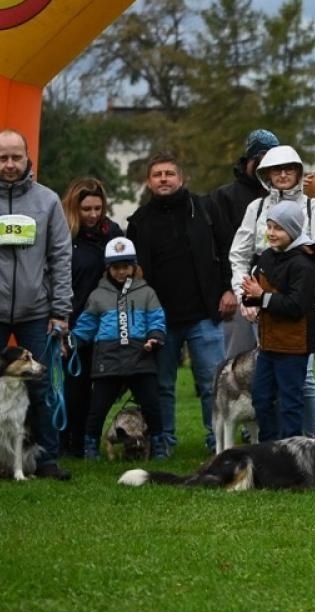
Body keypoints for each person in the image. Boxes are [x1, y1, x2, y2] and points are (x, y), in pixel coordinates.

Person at [0, 129, 74, 480]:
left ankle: (46, 460)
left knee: (43, 387)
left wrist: (60, 311)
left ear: (27, 157)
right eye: (2, 157)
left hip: (37, 312)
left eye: (16, 157)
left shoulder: (48, 201)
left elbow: (61, 257)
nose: (9, 164)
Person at [126, 153, 229, 456]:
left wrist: (228, 290)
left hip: (204, 314)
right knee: (162, 386)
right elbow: (132, 273)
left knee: (213, 384)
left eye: (169, 173)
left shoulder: (205, 209)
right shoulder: (138, 222)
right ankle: (163, 442)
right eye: (157, 174)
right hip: (160, 319)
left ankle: (218, 442)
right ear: (148, 182)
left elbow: (227, 251)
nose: (164, 179)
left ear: (181, 179)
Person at [227, 143, 315, 433]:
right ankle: (270, 442)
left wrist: (284, 296)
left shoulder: (314, 207)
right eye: (276, 170)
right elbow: (239, 255)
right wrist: (245, 298)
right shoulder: (257, 208)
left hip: (299, 308)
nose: (283, 175)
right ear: (266, 175)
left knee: (303, 380)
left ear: (299, 172)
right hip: (260, 308)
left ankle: (311, 440)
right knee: (266, 381)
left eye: (289, 169)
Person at [73, 237, 166, 460]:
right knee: (97, 408)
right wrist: (70, 341)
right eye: (116, 267)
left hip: (140, 356)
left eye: (126, 266)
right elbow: (86, 325)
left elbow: (157, 319)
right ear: (108, 269)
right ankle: (90, 446)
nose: (121, 272)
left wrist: (155, 337)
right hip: (108, 359)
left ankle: (158, 444)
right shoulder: (97, 295)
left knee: (152, 405)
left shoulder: (147, 292)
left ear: (134, 267)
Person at [238, 201, 315, 442]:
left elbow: (296, 307)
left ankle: (289, 449)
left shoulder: (304, 265)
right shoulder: (267, 257)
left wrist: (261, 297)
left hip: (293, 347)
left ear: (294, 230)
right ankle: (268, 447)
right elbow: (257, 292)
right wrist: (249, 296)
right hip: (267, 344)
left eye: (279, 228)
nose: (272, 233)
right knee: (261, 399)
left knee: (289, 402)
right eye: (269, 226)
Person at [60, 176, 122, 458]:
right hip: (72, 321)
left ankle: (88, 441)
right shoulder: (62, 236)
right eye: (86, 209)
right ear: (75, 208)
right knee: (72, 387)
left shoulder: (113, 234)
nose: (93, 215)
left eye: (98, 208)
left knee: (99, 389)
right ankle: (66, 442)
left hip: (105, 321)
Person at [207, 129, 277, 354]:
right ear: (250, 159)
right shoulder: (224, 197)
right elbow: (218, 248)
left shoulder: (281, 196)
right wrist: (228, 289)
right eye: (262, 158)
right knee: (238, 361)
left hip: (275, 292)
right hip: (239, 292)